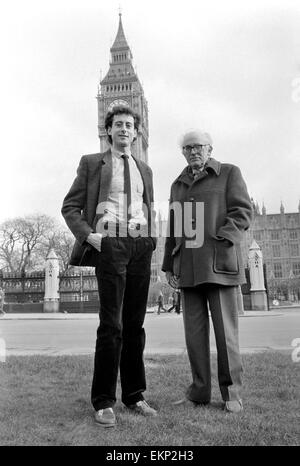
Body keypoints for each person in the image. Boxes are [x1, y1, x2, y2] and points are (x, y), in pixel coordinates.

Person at [62, 105, 157, 427]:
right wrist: (90, 237)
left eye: (130, 125)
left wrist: (151, 239)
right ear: (108, 130)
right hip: (110, 243)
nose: (125, 130)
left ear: (137, 131)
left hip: (140, 244)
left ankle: (135, 395)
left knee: (135, 325)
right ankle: (103, 401)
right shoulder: (92, 163)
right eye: (118, 124)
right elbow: (71, 206)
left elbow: (148, 206)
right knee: (112, 325)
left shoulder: (145, 168)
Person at [162, 130, 252, 413]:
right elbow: (173, 228)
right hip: (187, 268)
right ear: (183, 153)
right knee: (194, 336)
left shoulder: (228, 173)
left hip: (219, 264)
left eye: (198, 146)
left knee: (226, 335)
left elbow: (242, 211)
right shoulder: (178, 184)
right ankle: (199, 392)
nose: (193, 152)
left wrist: (223, 238)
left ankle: (232, 394)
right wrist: (168, 265)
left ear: (210, 148)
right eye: (187, 148)